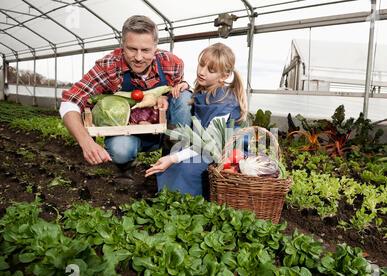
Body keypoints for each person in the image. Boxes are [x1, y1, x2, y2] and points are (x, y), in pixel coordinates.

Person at [59, 15, 192, 186]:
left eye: (145, 50)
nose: (138, 57)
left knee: (184, 95)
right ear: (122, 45)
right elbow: (70, 101)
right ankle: (125, 167)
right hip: (127, 135)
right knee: (121, 150)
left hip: (164, 133)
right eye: (131, 49)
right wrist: (86, 142)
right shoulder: (110, 66)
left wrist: (166, 95)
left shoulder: (172, 63)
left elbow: (179, 98)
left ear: (155, 46)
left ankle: (173, 159)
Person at [145, 42, 248, 199]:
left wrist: (173, 158)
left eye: (211, 70)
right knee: (178, 159)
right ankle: (172, 197)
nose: (202, 72)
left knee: (186, 167)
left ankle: (189, 201)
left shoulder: (225, 101)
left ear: (224, 76)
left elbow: (211, 144)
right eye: (201, 65)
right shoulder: (207, 90)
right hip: (202, 144)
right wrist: (185, 87)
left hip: (222, 150)